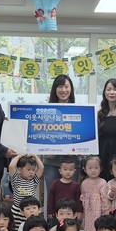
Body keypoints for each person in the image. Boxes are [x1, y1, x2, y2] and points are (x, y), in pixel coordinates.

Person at [41, 75, 80, 208]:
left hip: (72, 162)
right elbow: (41, 134)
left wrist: (78, 149)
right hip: (51, 162)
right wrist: (47, 151)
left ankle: (70, 227)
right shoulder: (45, 111)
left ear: (71, 89)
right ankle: (53, 227)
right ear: (54, 89)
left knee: (71, 197)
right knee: (53, 198)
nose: (63, 90)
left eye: (66, 86)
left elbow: (81, 135)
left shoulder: (80, 111)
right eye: (60, 86)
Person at [8, 153, 44, 231]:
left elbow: (41, 167)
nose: (31, 172)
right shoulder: (16, 180)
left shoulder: (34, 180)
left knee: (29, 230)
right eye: (28, 170)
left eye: (33, 170)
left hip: (30, 210)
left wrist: (35, 156)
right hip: (17, 210)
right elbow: (11, 166)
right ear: (20, 170)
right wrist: (20, 156)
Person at [79, 155, 108, 231]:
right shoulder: (84, 182)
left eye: (96, 168)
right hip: (87, 210)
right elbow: (83, 196)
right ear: (85, 169)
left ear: (101, 169)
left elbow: (104, 198)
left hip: (98, 210)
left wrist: (105, 211)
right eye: (90, 168)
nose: (93, 170)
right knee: (87, 230)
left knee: (99, 230)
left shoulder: (102, 182)